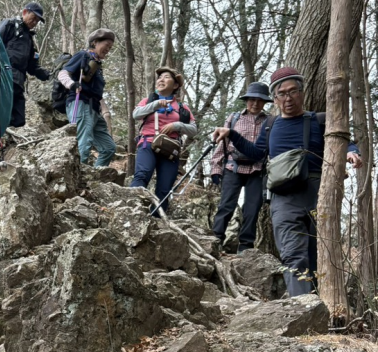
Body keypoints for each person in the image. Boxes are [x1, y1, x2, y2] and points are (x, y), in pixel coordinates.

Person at [212, 66, 362, 297]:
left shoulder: (319, 120)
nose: (288, 98)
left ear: (302, 92)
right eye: (282, 93)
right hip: (282, 197)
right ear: (274, 98)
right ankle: (302, 309)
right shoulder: (270, 126)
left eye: (293, 91)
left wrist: (351, 152)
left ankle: (321, 306)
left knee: (319, 253)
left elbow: (343, 140)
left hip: (318, 192)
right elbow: (256, 153)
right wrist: (232, 134)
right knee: (293, 253)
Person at [210, 82, 272, 253]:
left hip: (258, 170)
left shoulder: (269, 121)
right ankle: (216, 240)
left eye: (260, 100)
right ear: (246, 100)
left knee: (252, 209)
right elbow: (222, 143)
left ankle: (246, 247)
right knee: (226, 205)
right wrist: (216, 167)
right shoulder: (234, 118)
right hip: (233, 167)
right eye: (252, 100)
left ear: (265, 102)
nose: (255, 104)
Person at [130, 66, 197, 210]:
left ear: (175, 85)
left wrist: (177, 125)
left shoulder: (182, 107)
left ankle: (158, 220)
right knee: (142, 175)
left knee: (165, 187)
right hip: (147, 143)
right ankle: (131, 209)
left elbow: (193, 130)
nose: (161, 80)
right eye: (160, 77)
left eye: (166, 77)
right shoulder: (148, 100)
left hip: (170, 148)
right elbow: (136, 115)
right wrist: (155, 104)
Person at [56, 28, 117, 167]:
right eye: (106, 45)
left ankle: (93, 176)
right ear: (95, 43)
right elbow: (63, 74)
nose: (108, 49)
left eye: (110, 47)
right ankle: (79, 177)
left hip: (95, 109)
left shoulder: (97, 65)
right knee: (83, 142)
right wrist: (72, 84)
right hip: (81, 103)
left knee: (109, 148)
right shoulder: (83, 55)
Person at [0, 2, 51, 127]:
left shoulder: (30, 41)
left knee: (19, 119)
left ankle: (1, 136)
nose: (34, 23)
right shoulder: (10, 25)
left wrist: (49, 75)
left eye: (37, 21)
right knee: (0, 112)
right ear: (25, 12)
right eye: (33, 19)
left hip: (18, 82)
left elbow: (32, 67)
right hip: (5, 77)